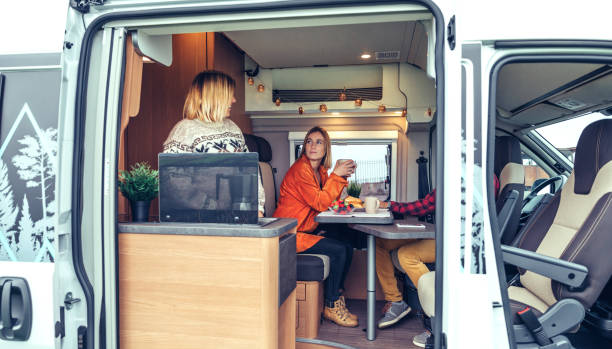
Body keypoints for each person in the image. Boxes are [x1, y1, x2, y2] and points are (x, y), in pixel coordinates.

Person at [375, 175, 500, 347]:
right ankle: (396, 302)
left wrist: (390, 205)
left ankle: (437, 318)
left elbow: (426, 207)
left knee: (406, 255)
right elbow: (426, 204)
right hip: (443, 234)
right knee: (380, 242)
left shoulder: (477, 175)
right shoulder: (459, 172)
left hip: (460, 241)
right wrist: (390, 205)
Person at [273, 126, 359, 327]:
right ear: (304, 146)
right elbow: (321, 203)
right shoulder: (300, 170)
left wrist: (341, 176)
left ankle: (336, 297)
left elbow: (331, 200)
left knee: (347, 243)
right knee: (338, 250)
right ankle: (330, 306)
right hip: (290, 234)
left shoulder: (320, 171)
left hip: (304, 229)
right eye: (309, 141)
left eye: (319, 142)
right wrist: (336, 176)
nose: (313, 145)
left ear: (325, 148)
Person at [162, 70, 265, 217]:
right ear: (214, 97)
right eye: (229, 95)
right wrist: (212, 208)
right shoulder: (184, 130)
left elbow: (250, 171)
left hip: (235, 218)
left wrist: (257, 207)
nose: (234, 100)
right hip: (199, 221)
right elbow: (174, 183)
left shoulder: (233, 128)